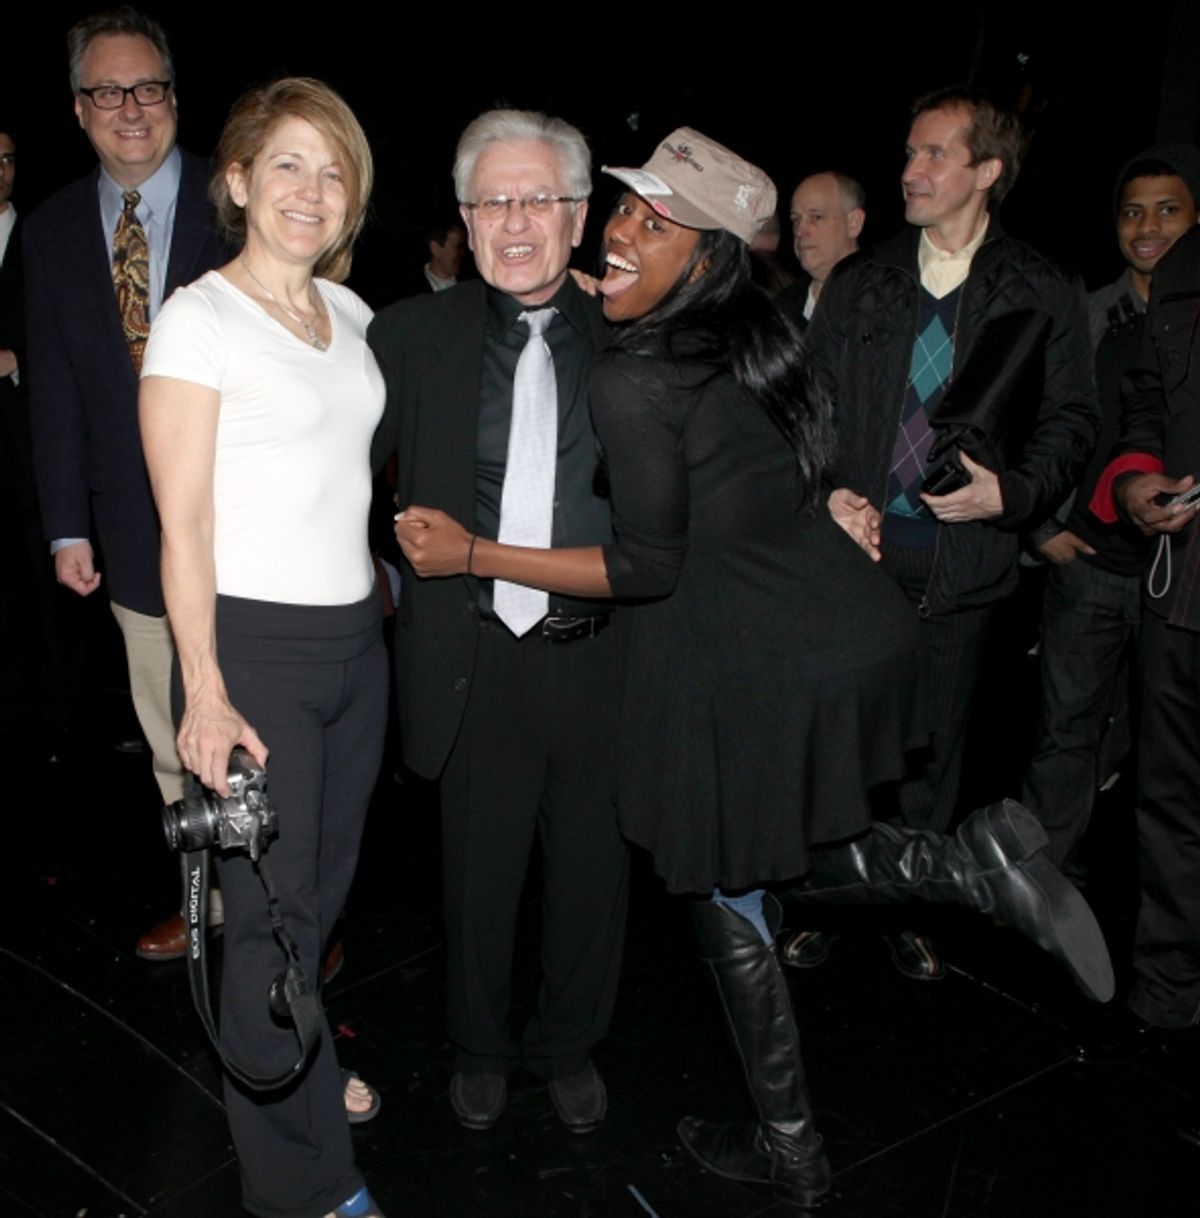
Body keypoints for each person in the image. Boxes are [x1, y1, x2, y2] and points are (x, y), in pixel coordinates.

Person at [394, 127, 1114, 1210]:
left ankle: (953, 883)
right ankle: (817, 1104)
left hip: (723, 663)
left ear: (708, 251)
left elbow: (650, 558)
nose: (622, 233)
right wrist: (837, 504)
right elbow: (790, 473)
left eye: (653, 220)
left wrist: (470, 553)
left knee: (722, 885)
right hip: (818, 638)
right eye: (628, 211)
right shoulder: (754, 337)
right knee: (750, 882)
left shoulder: (640, 364)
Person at [139, 78, 387, 1218]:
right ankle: (304, 1189)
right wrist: (204, 690)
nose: (311, 189)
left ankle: (302, 1069)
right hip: (258, 651)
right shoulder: (200, 316)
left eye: (332, 170)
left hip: (355, 645)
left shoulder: (357, 318)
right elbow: (180, 524)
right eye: (287, 164)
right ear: (237, 180)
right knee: (269, 928)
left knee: (318, 901)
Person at [796, 88, 1099, 981]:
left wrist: (1013, 494)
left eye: (933, 156)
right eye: (909, 153)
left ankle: (910, 911)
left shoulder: (1041, 288)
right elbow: (805, 411)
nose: (910, 172)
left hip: (959, 565)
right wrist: (825, 498)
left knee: (931, 755)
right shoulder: (864, 280)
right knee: (843, 751)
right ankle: (826, 902)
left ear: (987, 172)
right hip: (855, 555)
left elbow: (1073, 421)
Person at [368, 109, 624, 1136]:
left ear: (577, 218)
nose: (514, 222)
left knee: (594, 875)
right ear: (465, 222)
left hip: (608, 654)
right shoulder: (408, 337)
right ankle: (478, 1043)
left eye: (537, 201)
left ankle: (570, 1044)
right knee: (477, 869)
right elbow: (329, 460)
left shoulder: (635, 334)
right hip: (469, 646)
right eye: (492, 203)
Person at [22, 7, 229, 959]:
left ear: (175, 99)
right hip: (135, 534)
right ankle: (209, 903)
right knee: (169, 733)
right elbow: (56, 386)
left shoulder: (240, 206)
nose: (130, 108)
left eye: (146, 87)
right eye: (107, 92)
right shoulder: (55, 230)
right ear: (78, 108)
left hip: (250, 523)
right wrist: (68, 525)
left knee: (270, 721)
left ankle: (300, 911)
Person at [1022, 146, 1200, 871]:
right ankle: (1035, 879)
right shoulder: (1088, 316)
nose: (1148, 225)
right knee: (1064, 729)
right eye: (1133, 211)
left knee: (1160, 743)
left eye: (1167, 210)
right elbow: (1032, 427)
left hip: (1182, 580)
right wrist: (1041, 528)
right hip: (1091, 564)